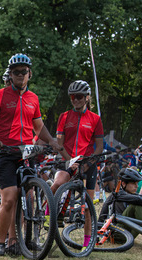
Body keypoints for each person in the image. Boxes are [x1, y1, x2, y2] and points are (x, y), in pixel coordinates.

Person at [0, 53, 59, 256]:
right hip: (4, 152)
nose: (20, 75)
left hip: (25, 152)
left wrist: (52, 141)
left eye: (24, 72)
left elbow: (38, 126)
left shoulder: (33, 98)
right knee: (9, 198)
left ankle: (22, 240)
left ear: (29, 73)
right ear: (11, 74)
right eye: (16, 72)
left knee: (28, 197)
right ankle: (0, 243)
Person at [49, 80, 104, 248]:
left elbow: (99, 146)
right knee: (57, 183)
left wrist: (88, 163)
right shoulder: (64, 116)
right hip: (67, 159)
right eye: (73, 97)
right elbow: (60, 143)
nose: (76, 100)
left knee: (87, 206)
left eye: (79, 97)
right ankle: (48, 212)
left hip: (88, 162)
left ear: (87, 97)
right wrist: (70, 161)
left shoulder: (95, 119)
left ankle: (87, 243)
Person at [99, 168, 142, 238]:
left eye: (137, 183)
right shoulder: (117, 194)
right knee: (136, 205)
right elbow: (138, 199)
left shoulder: (128, 193)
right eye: (133, 183)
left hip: (127, 232)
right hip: (116, 233)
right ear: (123, 184)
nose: (137, 186)